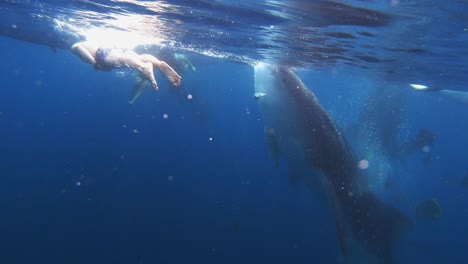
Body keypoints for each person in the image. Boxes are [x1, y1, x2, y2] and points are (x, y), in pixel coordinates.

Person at [71, 41, 182, 91]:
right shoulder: (94, 41)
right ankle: (158, 63)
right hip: (111, 48)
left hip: (101, 53)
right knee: (134, 57)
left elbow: (76, 47)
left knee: (122, 61)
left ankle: (143, 67)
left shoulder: (80, 44)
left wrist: (94, 63)